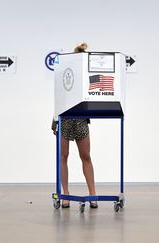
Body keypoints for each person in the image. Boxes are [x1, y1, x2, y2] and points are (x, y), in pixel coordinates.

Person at [51, 42, 98, 209]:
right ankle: (66, 194)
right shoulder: (65, 73)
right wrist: (55, 119)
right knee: (63, 156)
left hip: (81, 119)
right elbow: (58, 96)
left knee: (85, 156)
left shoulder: (88, 76)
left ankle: (93, 194)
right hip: (65, 117)